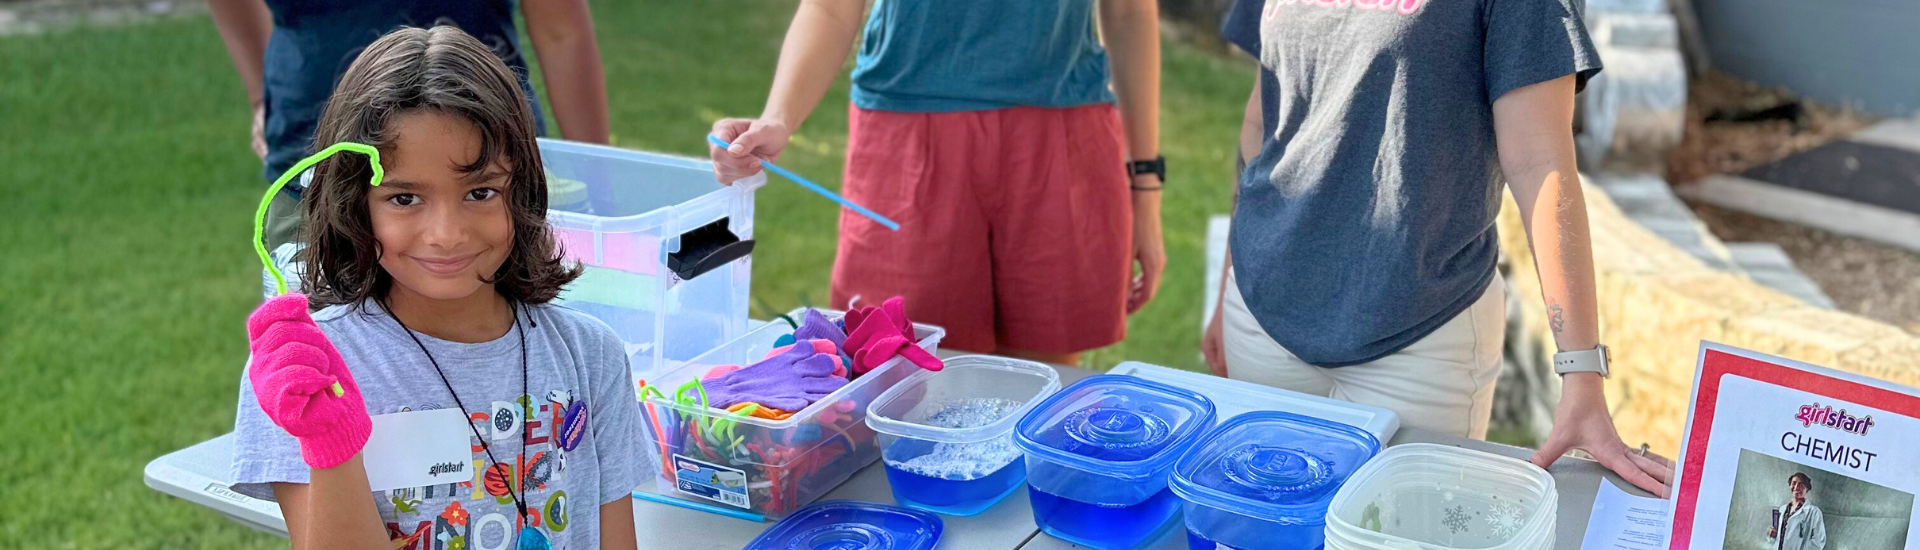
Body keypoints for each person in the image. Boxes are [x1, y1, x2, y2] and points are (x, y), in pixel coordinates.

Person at [1198, 0, 1676, 496]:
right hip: (1260, 319)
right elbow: (1264, 120)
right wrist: (1228, 289)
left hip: (1417, 343)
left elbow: (1539, 161)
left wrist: (1581, 375)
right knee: (1254, 529)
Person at [229, 27, 644, 550]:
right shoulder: (309, 372)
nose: (446, 235)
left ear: (524, 192)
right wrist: (329, 439)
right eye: (404, 199)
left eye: (480, 192)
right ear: (353, 203)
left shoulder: (591, 356)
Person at [705, 0, 1166, 366]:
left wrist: (1145, 189)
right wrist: (777, 118)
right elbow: (830, 6)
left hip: (1061, 129)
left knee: (1042, 387)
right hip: (908, 134)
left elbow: (1129, 10)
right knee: (905, 372)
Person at [209, 0, 609, 265]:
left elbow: (561, 29)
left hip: (490, 160)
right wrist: (263, 94)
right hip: (314, 161)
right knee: (315, 367)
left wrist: (601, 183)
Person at [1771, 473, 1828, 550]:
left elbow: (1819, 541)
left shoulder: (1814, 512)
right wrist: (1773, 536)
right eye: (1793, 483)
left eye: (1801, 485)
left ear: (1807, 489)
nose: (1796, 487)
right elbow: (1778, 539)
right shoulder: (1782, 509)